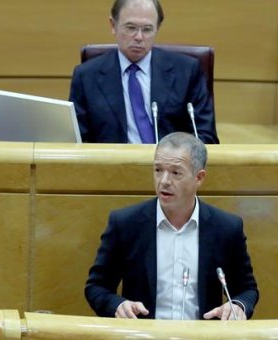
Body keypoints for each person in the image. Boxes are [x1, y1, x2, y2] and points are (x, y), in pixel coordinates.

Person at [85, 132, 258, 320]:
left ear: (199, 178)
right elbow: (96, 287)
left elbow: (246, 290)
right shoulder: (126, 224)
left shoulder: (226, 228)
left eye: (175, 172)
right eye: (158, 170)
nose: (164, 181)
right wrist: (117, 305)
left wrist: (238, 306)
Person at [69, 0, 219, 144]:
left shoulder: (187, 71)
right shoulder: (86, 76)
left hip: (171, 166)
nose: (139, 37)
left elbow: (205, 136)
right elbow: (77, 140)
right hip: (112, 166)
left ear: (157, 28)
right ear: (113, 25)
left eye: (147, 29)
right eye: (131, 28)